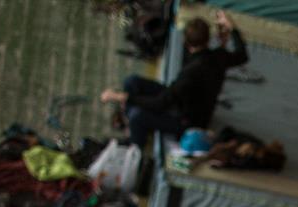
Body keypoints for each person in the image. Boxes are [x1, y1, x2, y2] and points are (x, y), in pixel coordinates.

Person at [100, 11, 248, 147]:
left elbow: (160, 103)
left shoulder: (190, 73)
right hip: (184, 99)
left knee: (137, 115)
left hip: (189, 120)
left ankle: (134, 144)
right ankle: (131, 123)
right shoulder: (219, 56)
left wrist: (120, 96)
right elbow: (242, 55)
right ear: (208, 39)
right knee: (132, 82)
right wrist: (231, 29)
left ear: (186, 41)